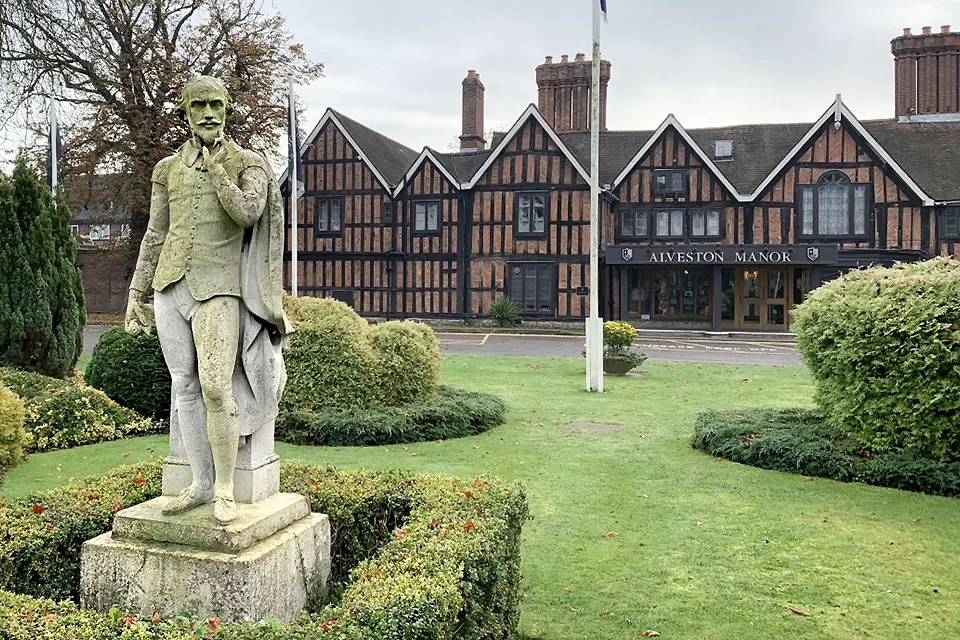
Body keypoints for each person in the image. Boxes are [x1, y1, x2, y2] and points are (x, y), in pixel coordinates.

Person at [125, 76, 289, 525]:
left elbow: (249, 213)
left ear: (228, 108)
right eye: (198, 105)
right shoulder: (167, 169)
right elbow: (155, 233)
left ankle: (223, 488)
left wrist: (216, 167)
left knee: (216, 387)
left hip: (219, 288)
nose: (208, 113)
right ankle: (198, 483)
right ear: (185, 111)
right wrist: (137, 291)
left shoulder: (247, 161)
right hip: (169, 286)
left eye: (216, 104)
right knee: (184, 385)